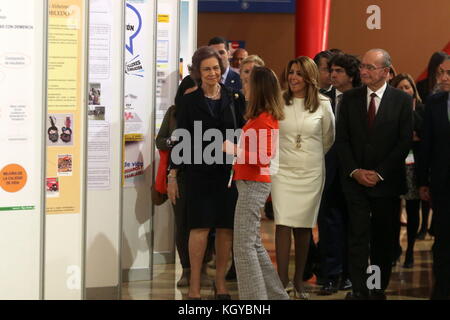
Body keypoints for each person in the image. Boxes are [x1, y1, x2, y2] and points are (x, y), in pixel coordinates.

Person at [167, 46, 246, 300]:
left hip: (227, 174)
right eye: (206, 69)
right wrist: (172, 175)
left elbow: (242, 134)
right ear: (197, 73)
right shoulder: (189, 100)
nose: (212, 73)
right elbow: (180, 139)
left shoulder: (235, 98)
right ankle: (194, 285)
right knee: (198, 228)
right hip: (197, 173)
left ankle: (221, 283)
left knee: (225, 229)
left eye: (215, 68)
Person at [336, 49, 413, 300]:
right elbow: (343, 140)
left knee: (383, 238)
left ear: (386, 72)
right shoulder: (349, 99)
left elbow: (403, 143)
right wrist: (356, 171)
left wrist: (378, 173)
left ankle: (376, 288)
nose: (364, 71)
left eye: (370, 67)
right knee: (357, 236)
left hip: (386, 183)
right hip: (355, 182)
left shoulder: (401, 101)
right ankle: (359, 289)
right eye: (363, 67)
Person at [222, 66, 289, 300]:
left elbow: (263, 157)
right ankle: (276, 296)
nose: (243, 87)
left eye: (248, 83)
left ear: (259, 87)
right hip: (249, 182)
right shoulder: (260, 117)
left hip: (254, 183)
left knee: (243, 247)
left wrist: (234, 150)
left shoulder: (265, 120)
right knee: (253, 244)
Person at [271, 56, 335, 299]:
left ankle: (299, 281)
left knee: (304, 226)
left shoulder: (323, 104)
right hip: (283, 171)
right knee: (283, 223)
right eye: (291, 73)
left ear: (309, 77)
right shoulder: (279, 100)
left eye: (298, 73)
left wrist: (310, 156)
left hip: (310, 171)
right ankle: (281, 280)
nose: (293, 78)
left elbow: (328, 138)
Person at [317, 53, 361, 295]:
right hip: (329, 170)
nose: (333, 75)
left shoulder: (361, 98)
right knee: (329, 224)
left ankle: (351, 274)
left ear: (351, 74)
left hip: (355, 171)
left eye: (339, 71)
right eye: (331, 71)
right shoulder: (323, 98)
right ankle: (331, 275)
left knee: (354, 225)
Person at [418, 54, 450, 300]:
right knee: (442, 241)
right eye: (440, 73)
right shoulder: (435, 102)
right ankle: (441, 289)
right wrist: (422, 181)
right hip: (442, 184)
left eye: (448, 73)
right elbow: (426, 146)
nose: (443, 78)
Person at [391, 73, 426, 268]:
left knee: (413, 211)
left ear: (413, 90)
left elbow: (422, 131)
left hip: (414, 167)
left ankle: (410, 250)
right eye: (400, 87)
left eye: (407, 87)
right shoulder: (389, 109)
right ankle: (395, 248)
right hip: (394, 166)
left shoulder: (421, 109)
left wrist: (410, 110)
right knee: (393, 211)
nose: (404, 91)